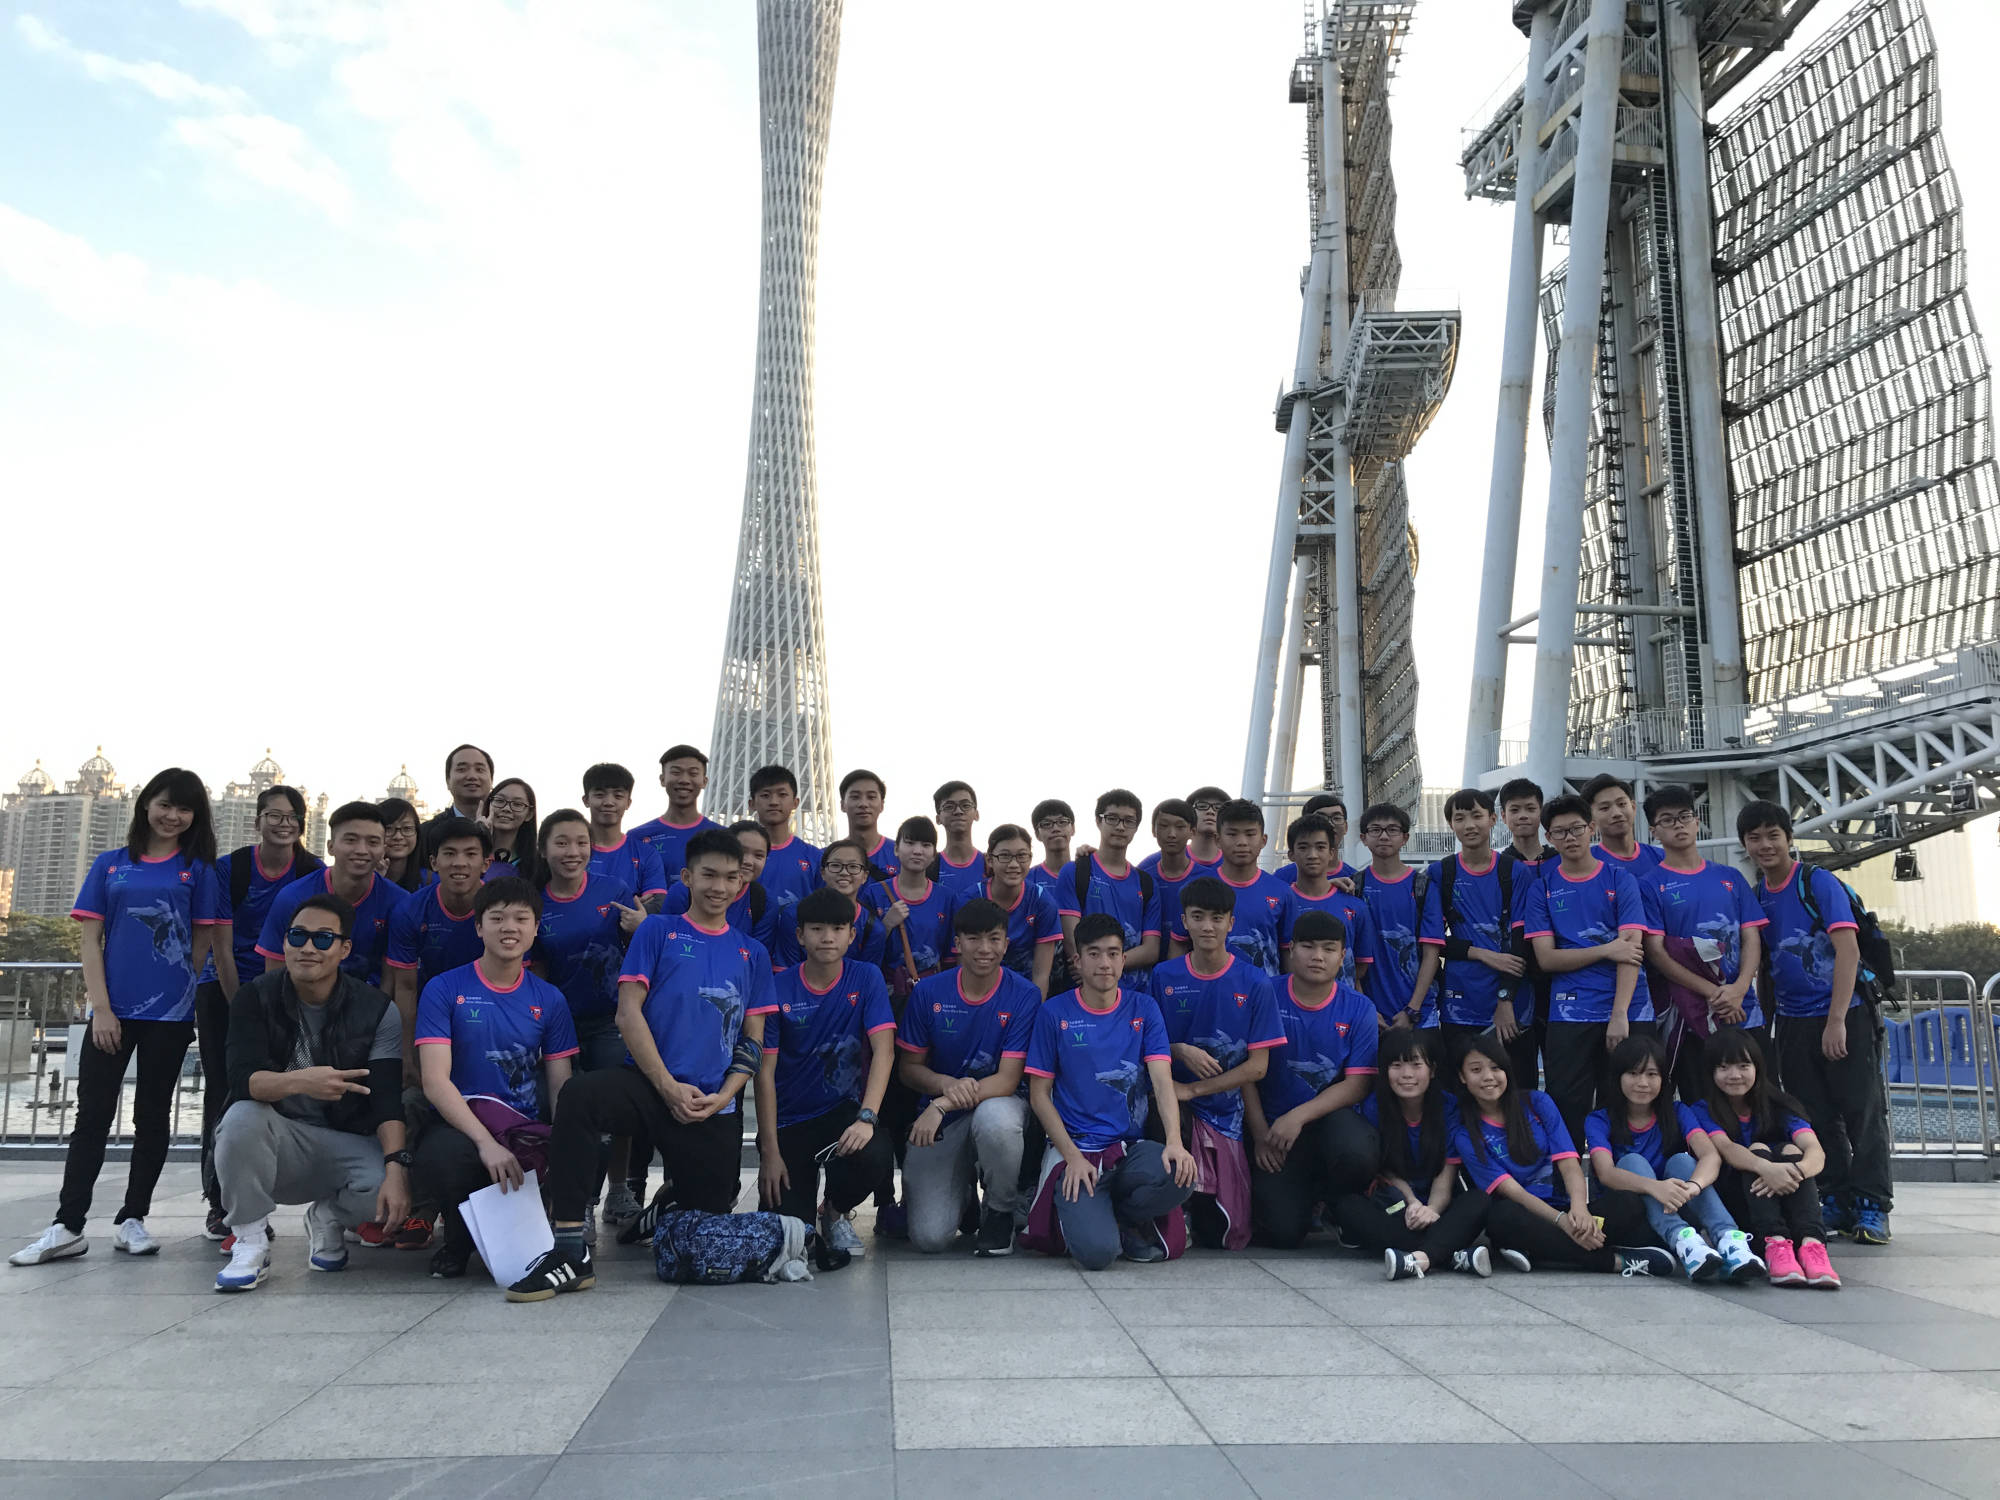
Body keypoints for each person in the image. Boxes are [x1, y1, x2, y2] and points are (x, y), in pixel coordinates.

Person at [509, 830, 771, 1301]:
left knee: (708, 1221)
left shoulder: (752, 953)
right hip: (650, 1086)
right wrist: (667, 1086)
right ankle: (569, 1249)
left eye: (731, 878)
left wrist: (725, 1097)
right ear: (687, 877)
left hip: (712, 1102)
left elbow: (753, 1039)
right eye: (709, 875)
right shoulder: (657, 931)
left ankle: (664, 1207)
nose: (719, 887)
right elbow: (627, 1013)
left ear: (741, 883)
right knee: (579, 1097)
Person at [12, 769, 227, 1267]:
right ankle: (68, 1225)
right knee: (91, 1117)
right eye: (164, 804)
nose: (173, 816)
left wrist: (178, 993)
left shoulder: (198, 870)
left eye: (185, 808)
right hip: (112, 1011)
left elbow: (201, 940)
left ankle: (133, 1218)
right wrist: (102, 1008)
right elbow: (90, 941)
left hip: (170, 1017)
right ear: (145, 804)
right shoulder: (111, 865)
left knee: (152, 1116)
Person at [211, 893, 411, 1291]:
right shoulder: (255, 997)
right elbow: (243, 1081)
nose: (307, 948)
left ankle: (327, 1217)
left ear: (344, 949)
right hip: (279, 1138)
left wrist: (396, 1168)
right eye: (297, 936)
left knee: (389, 1185)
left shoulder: (376, 1009)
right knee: (241, 1118)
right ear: (284, 942)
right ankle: (250, 1241)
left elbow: (388, 1099)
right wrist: (304, 1081)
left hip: (345, 1139)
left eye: (322, 939)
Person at [1738, 799, 1891, 1245]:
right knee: (1813, 1115)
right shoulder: (1759, 894)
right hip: (1792, 1021)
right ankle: (1836, 1196)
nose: (1765, 845)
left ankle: (1872, 1204)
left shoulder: (1816, 882)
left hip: (1845, 1014)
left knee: (1862, 1112)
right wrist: (1767, 1025)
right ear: (1745, 844)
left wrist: (1836, 1020)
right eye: (1754, 838)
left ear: (1789, 838)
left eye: (1773, 835)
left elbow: (1848, 950)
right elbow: (1767, 966)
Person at [414, 878, 579, 1279]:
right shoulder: (444, 989)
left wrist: (563, 1146)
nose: (510, 927)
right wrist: (485, 1142)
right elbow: (435, 1081)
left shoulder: (550, 999)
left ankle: (555, 1222)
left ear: (536, 929)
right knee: (448, 1157)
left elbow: (560, 1084)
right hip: (462, 1123)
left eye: (521, 919)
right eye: (498, 918)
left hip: (522, 1126)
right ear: (478, 927)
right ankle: (457, 1240)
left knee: (586, 1137)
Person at [1022, 915, 1196, 1268]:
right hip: (1077, 1150)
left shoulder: (1144, 1008)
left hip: (1128, 1148)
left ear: (1123, 959)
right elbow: (1039, 1095)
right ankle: (1088, 1214)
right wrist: (1072, 1156)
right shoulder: (1054, 1012)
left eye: (1113, 953)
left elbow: (1162, 1081)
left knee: (1180, 1174)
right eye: (1095, 953)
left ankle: (1124, 1218)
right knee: (1098, 1255)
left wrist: (1174, 1142)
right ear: (1077, 961)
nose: (1105, 963)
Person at [195, 783, 323, 1239]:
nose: (283, 824)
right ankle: (221, 1203)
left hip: (290, 993)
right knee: (224, 1091)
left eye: (292, 818)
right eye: (275, 815)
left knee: (290, 1091)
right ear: (258, 821)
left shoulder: (311, 871)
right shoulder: (230, 869)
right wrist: (242, 1009)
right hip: (226, 989)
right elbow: (221, 946)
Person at [1450, 1035, 1674, 1276]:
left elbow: (1568, 1164)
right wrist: (1562, 1222)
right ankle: (1615, 1261)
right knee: (1501, 1218)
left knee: (1628, 1204)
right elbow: (1514, 1192)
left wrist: (1579, 1209)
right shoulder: (1466, 1135)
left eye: (1496, 1068)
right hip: (1525, 1215)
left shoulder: (1536, 1103)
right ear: (1462, 1076)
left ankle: (1540, 1251)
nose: (1488, 1077)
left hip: (1567, 1209)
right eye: (1476, 1070)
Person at [755, 887, 897, 1256]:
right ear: (800, 936)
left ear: (851, 935)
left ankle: (834, 1210)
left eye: (837, 929)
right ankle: (802, 1209)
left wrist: (867, 1117)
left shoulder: (866, 977)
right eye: (817, 929)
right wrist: (769, 1150)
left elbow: (884, 1051)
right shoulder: (776, 987)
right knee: (789, 1239)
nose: (828, 937)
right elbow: (764, 1072)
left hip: (842, 1112)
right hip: (790, 1120)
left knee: (875, 1153)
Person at [899, 899, 1042, 1255]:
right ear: (957, 943)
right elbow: (909, 1068)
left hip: (997, 1104)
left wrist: (942, 1103)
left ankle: (1000, 1210)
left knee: (996, 1121)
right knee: (930, 1238)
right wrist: (944, 1084)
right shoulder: (928, 992)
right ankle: (962, 1192)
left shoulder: (1025, 995)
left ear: (1006, 944)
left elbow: (1008, 1080)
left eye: (994, 939)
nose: (984, 949)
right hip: (945, 1117)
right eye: (974, 938)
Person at [1148, 877, 1284, 1249]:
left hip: (1227, 1112)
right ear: (1184, 922)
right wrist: (1178, 1050)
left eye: (1217, 917)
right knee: (1160, 1112)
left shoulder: (1255, 982)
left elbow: (1258, 1067)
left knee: (1223, 1233)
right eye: (1198, 917)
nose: (1207, 926)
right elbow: (1148, 1046)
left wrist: (1193, 1089)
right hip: (1174, 1105)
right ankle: (1171, 1210)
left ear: (1231, 923)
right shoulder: (1164, 976)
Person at [1521, 793, 1659, 1150]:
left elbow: (1631, 951)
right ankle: (1568, 1182)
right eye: (1560, 832)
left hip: (1629, 1011)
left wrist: (1619, 1014)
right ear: (1549, 838)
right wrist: (1605, 949)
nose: (1570, 837)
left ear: (1591, 829)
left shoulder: (1620, 879)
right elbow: (1546, 959)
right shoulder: (1542, 888)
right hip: (1569, 1013)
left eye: (1577, 829)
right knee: (1567, 1109)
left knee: (1629, 1108)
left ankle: (1626, 1179)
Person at [532, 809, 646, 1231]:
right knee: (565, 1112)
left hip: (611, 1019)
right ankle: (575, 1200)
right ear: (543, 849)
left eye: (581, 842)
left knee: (618, 1105)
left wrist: (642, 927)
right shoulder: (535, 901)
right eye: (561, 842)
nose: (572, 851)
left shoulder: (613, 890)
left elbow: (642, 949)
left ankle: (618, 1189)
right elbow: (535, 970)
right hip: (558, 1024)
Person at [1241, 911, 1380, 1249]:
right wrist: (1259, 1135)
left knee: (1358, 1153)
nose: (1318, 956)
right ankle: (1303, 1199)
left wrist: (1298, 1116)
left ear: (1342, 957)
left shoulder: (1359, 1008)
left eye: (1329, 949)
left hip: (1328, 1122)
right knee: (1282, 1233)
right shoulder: (1264, 994)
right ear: (1290, 950)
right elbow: (1245, 1072)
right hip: (1274, 1131)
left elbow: (1358, 1084)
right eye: (1308, 946)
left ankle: (1337, 1204)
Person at [1583, 1034, 1761, 1284]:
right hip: (1630, 1218)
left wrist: (1693, 1186)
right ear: (1617, 1077)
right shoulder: (1599, 1119)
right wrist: (1655, 1188)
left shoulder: (1678, 1111)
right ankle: (1684, 1241)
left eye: (1652, 1074)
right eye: (1633, 1074)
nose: (1643, 1083)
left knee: (1682, 1162)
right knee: (1633, 1162)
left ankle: (1729, 1241)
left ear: (1663, 1079)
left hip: (1677, 1208)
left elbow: (1710, 1156)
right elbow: (1606, 1173)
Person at [1641, 784, 1767, 1101]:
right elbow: (1656, 952)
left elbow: (1751, 937)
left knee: (1757, 1100)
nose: (1678, 825)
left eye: (1684, 816)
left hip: (1743, 1008)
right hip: (1691, 1013)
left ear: (1697, 822)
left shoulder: (1731, 877)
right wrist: (1714, 993)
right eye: (1667, 820)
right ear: (1654, 831)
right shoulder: (1649, 885)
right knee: (1702, 1102)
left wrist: (1739, 988)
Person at [1334, 1029, 1490, 1280]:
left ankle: (1418, 1257)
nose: (1406, 1074)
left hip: (1438, 1204)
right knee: (1348, 1207)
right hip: (1395, 1204)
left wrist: (1432, 1209)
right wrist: (1412, 1203)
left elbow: (1446, 1170)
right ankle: (1449, 1255)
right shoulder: (1374, 1106)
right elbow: (1384, 1169)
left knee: (1478, 1200)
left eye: (1416, 1065)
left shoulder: (1449, 1107)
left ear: (1432, 1070)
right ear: (1385, 1071)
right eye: (1396, 1065)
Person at [1692, 1027, 1841, 1288]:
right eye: (1724, 1067)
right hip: (1743, 1207)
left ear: (1758, 1067)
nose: (1735, 1075)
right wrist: (1766, 1168)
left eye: (1743, 1066)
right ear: (1711, 1072)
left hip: (1789, 1198)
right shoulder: (1704, 1110)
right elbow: (1726, 1148)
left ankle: (1812, 1245)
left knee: (1791, 1151)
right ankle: (1774, 1244)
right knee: (1758, 1148)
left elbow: (1815, 1151)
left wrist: (1793, 1173)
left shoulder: (1780, 1105)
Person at [1409, 789, 1535, 1082]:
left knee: (1516, 1086)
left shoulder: (1514, 872)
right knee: (1461, 1086)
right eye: (1460, 818)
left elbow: (1521, 940)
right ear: (1450, 825)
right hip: (1459, 1001)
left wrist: (1505, 1000)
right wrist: (1481, 953)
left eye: (1477, 816)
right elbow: (1432, 942)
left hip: (1511, 1001)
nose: (1469, 825)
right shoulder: (1440, 873)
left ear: (1493, 819)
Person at [258, 802, 404, 988]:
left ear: (383, 849)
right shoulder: (293, 897)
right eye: (350, 840)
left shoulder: (399, 903)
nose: (361, 850)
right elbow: (275, 972)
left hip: (370, 999)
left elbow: (396, 978)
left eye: (373, 842)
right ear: (330, 847)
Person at [385, 817, 492, 1051]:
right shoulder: (410, 910)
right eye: (450, 853)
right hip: (431, 1012)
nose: (459, 863)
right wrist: (407, 1055)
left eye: (470, 854)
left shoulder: (502, 909)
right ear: (434, 862)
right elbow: (405, 988)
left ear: (486, 863)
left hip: (489, 1012)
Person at [1057, 790, 1162, 982]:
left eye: (1128, 821)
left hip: (1134, 991)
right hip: (1087, 987)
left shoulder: (1147, 883)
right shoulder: (1074, 872)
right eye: (1112, 818)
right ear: (1098, 821)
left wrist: (1104, 965)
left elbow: (1151, 950)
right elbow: (1072, 938)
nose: (1120, 827)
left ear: (1136, 827)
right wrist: (1096, 969)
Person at [1183, 799, 1293, 978]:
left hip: (1266, 991)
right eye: (1232, 834)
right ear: (1218, 840)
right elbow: (1179, 944)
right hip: (1209, 990)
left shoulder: (1282, 892)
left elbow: (1288, 953)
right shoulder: (1195, 887)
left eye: (1250, 834)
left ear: (1263, 840)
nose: (1242, 842)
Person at [1351, 803, 1433, 1033]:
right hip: (1368, 1014)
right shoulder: (1354, 887)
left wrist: (1412, 1010)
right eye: (1375, 830)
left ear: (1405, 838)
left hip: (1419, 1015)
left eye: (1392, 830)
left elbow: (1431, 954)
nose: (1384, 836)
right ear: (1363, 838)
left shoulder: (1423, 886)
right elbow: (1348, 956)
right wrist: (1366, 1008)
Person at [1274, 812, 1375, 993]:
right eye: (1303, 847)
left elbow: (1361, 966)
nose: (1312, 855)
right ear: (1291, 854)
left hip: (1341, 1004)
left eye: (1320, 847)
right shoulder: (1279, 904)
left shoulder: (1356, 906)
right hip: (1293, 1002)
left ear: (1331, 853)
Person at [862, 817, 960, 997]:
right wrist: (886, 926)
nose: (917, 851)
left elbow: (951, 957)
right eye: (909, 843)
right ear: (896, 849)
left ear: (934, 854)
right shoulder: (873, 894)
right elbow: (863, 953)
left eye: (926, 845)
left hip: (932, 993)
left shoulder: (947, 898)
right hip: (886, 993)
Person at [769, 836, 888, 968]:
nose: (844, 872)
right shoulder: (793, 915)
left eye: (853, 867)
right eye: (835, 865)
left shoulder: (872, 928)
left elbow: (867, 976)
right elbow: (786, 971)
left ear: (865, 876)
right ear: (823, 873)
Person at [978, 824, 1060, 995]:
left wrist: (1034, 1008)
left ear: (1030, 858)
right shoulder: (972, 899)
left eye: (1022, 856)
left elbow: (1041, 974)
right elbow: (964, 966)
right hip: (982, 992)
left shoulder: (1042, 902)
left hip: (1025, 994)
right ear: (989, 860)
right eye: (1005, 856)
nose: (1014, 864)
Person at [584, 762, 669, 910]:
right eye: (599, 795)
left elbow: (657, 904)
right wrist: (630, 905)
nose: (609, 802)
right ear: (586, 800)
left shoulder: (646, 854)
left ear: (628, 803)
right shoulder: (572, 852)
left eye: (618, 796)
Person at [630, 745, 720, 880]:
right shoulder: (637, 837)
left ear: (704, 781)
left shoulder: (722, 836)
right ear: (662, 779)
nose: (684, 780)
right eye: (676, 772)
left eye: (693, 773)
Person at [750, 764, 822, 912]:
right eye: (765, 795)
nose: (774, 802)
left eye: (782, 795)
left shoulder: (814, 857)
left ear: (795, 803)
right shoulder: (736, 856)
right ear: (752, 804)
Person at [1139, 798, 1202, 950]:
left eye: (1180, 827)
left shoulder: (1206, 879)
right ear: (1153, 830)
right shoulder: (1143, 879)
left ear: (1192, 832)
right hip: (1145, 961)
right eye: (1164, 826)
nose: (1172, 834)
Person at [420, 744, 494, 861]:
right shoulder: (424, 834)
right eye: (461, 769)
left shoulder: (508, 829)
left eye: (479, 769)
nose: (472, 776)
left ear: (491, 780)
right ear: (448, 781)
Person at [1582, 773, 1662, 874]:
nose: (1617, 813)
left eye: (1622, 804)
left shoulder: (1662, 858)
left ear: (1633, 807)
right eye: (1605, 808)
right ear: (1590, 817)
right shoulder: (1584, 864)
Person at [1275, 793, 1351, 883]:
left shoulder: (1356, 878)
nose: (1330, 824)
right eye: (1321, 818)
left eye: (1337, 818)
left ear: (1346, 827)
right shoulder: (1281, 878)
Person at [839, 768, 898, 878]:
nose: (863, 804)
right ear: (842, 805)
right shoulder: (825, 858)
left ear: (882, 805)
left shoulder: (901, 855)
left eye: (871, 797)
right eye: (855, 797)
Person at [481, 778, 540, 884]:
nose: (506, 809)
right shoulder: (472, 853)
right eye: (500, 801)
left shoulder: (536, 865)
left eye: (517, 804)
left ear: (529, 814)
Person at [932, 781, 985, 897]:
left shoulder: (990, 865)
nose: (958, 811)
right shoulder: (929, 867)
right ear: (938, 819)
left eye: (965, 805)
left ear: (976, 814)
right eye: (949, 807)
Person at [378, 797, 429, 893]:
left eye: (407, 828)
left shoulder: (431, 881)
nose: (398, 837)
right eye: (388, 829)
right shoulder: (361, 879)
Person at [1028, 799, 1076, 899]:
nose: (1056, 829)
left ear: (1073, 829)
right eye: (1046, 824)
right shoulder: (1028, 879)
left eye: (1062, 822)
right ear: (1037, 834)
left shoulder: (1088, 874)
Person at [1184, 786, 1230, 869]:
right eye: (1202, 806)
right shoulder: (1166, 859)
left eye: (1218, 808)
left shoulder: (1234, 863)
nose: (1210, 811)